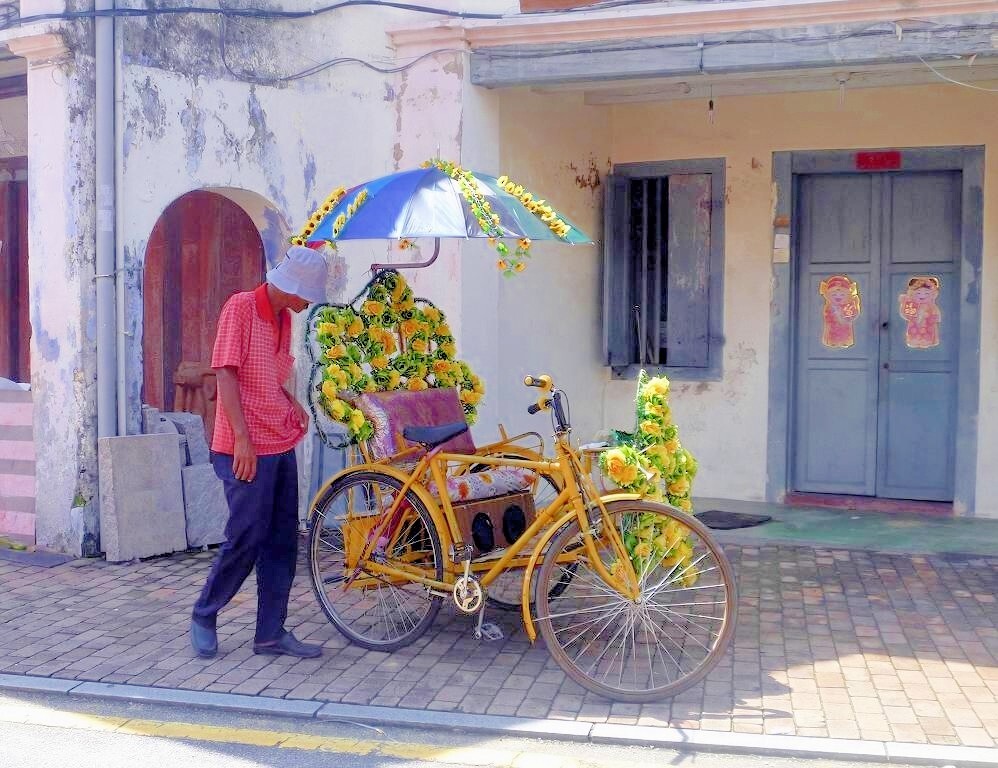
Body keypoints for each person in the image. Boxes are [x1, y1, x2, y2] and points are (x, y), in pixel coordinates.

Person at [190, 246, 328, 659]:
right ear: (293, 287)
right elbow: (226, 373)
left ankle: (270, 633)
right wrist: (242, 440)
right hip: (243, 446)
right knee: (246, 536)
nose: (309, 304)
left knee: (282, 540)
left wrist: (292, 402)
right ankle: (204, 613)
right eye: (308, 296)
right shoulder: (241, 307)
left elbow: (267, 376)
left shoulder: (285, 317)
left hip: (279, 442)